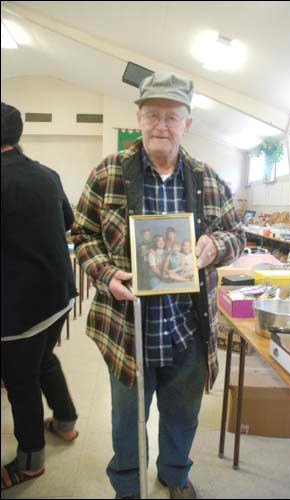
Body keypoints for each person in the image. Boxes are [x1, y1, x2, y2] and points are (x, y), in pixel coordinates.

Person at [71, 72, 245, 499]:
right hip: (129, 326)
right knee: (127, 420)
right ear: (139, 117)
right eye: (153, 115)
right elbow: (82, 235)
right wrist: (106, 275)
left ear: (188, 122)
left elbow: (236, 235)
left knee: (183, 414)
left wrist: (214, 245)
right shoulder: (108, 172)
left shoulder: (207, 178)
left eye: (171, 116)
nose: (161, 125)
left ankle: (173, 474)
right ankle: (127, 487)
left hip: (188, 326)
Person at [1, 102, 79, 491]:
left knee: (20, 380)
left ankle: (30, 461)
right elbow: (68, 222)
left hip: (18, 306)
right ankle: (65, 421)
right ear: (18, 136)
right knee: (43, 357)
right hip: (60, 296)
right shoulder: (48, 175)